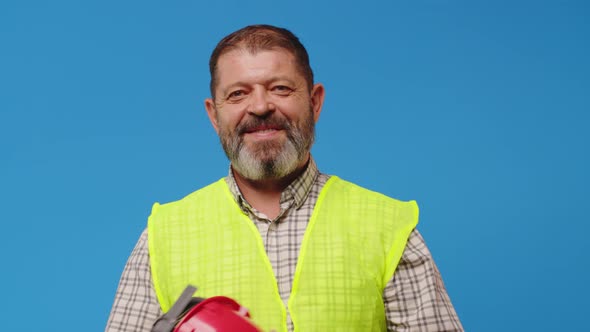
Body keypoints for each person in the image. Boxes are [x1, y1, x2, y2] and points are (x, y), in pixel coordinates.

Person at [106, 24, 463, 332]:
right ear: (214, 116)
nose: (260, 106)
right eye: (238, 93)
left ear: (315, 102)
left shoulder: (388, 229)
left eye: (280, 88)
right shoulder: (164, 236)